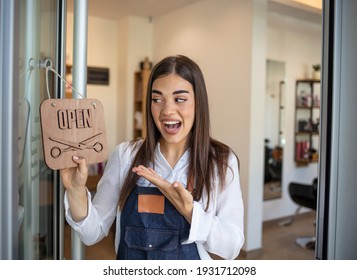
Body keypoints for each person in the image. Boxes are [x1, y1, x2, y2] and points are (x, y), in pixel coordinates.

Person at [61, 55, 244, 260]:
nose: (167, 110)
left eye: (180, 99)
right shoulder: (126, 156)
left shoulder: (221, 162)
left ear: (198, 103)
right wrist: (75, 190)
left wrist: (191, 212)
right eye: (157, 100)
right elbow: (91, 234)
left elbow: (232, 246)